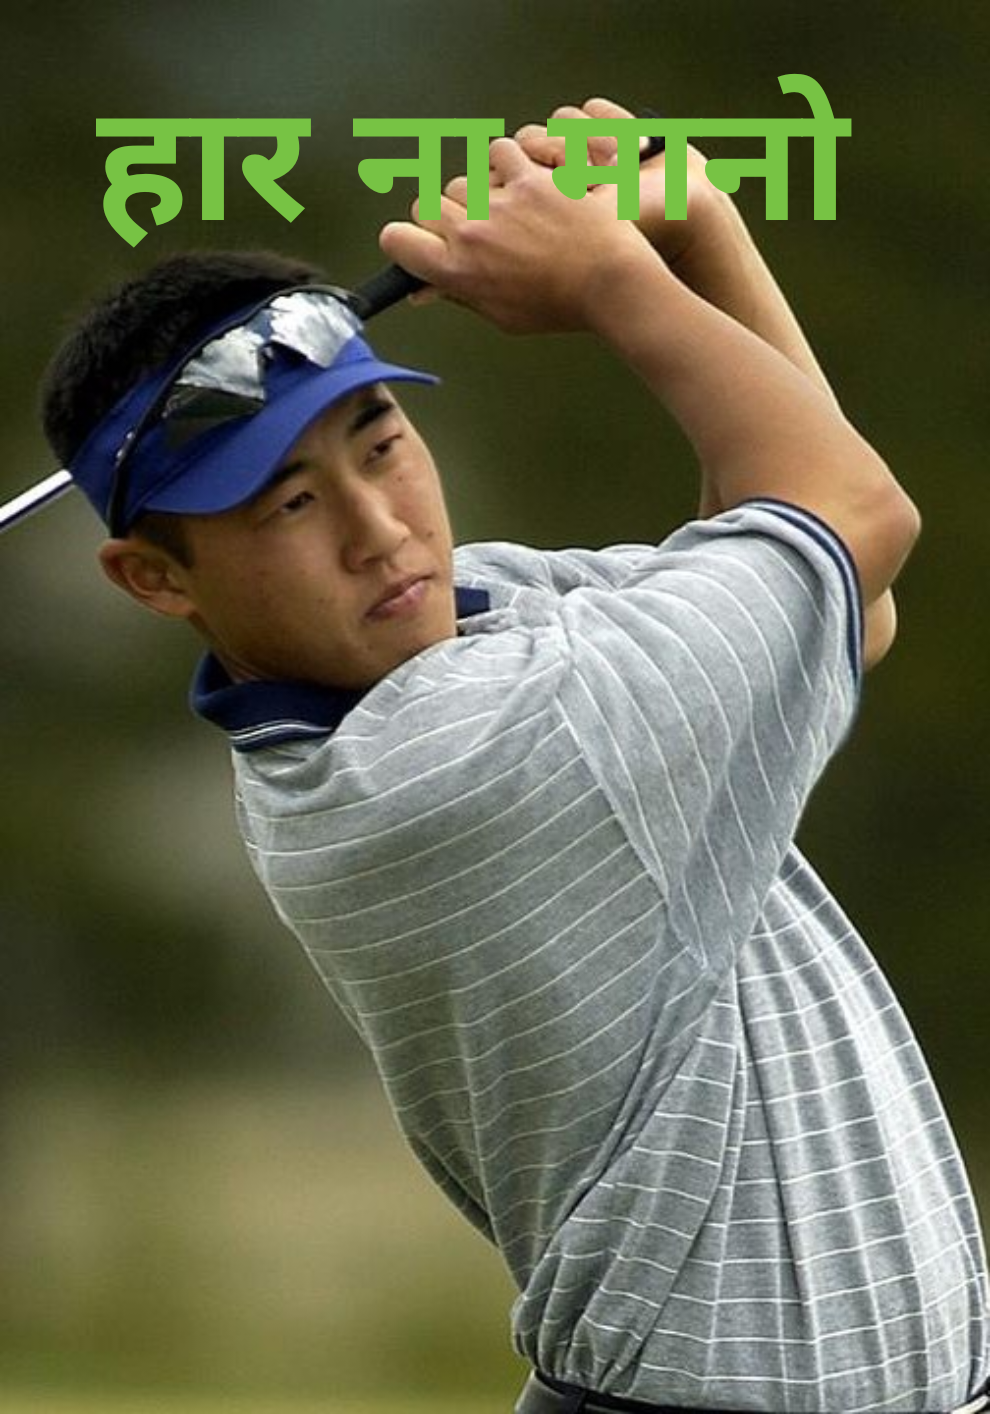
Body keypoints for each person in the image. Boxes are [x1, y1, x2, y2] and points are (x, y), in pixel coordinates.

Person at [40, 97, 987, 1414]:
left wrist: (692, 233)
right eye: (293, 503)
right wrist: (613, 282)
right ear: (154, 577)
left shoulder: (476, 620)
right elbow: (856, 515)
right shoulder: (466, 756)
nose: (381, 531)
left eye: (382, 445)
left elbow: (843, 595)